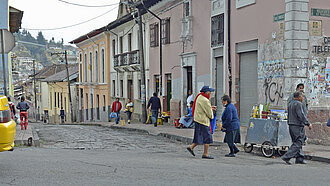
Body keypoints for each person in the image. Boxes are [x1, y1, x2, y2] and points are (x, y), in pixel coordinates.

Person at [282, 91, 312, 165]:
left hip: (291, 124)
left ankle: (299, 158)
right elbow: (301, 115)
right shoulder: (298, 104)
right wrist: (308, 123)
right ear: (299, 97)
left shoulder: (290, 104)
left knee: (297, 142)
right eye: (302, 97)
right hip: (297, 125)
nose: (303, 98)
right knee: (298, 142)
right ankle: (287, 156)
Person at [186, 86, 216, 159]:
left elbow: (202, 107)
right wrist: (212, 115)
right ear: (207, 92)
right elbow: (209, 112)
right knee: (207, 137)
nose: (211, 93)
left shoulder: (199, 97)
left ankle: (191, 147)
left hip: (198, 119)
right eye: (210, 92)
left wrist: (210, 107)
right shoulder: (205, 100)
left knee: (198, 136)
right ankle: (205, 154)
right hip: (203, 121)